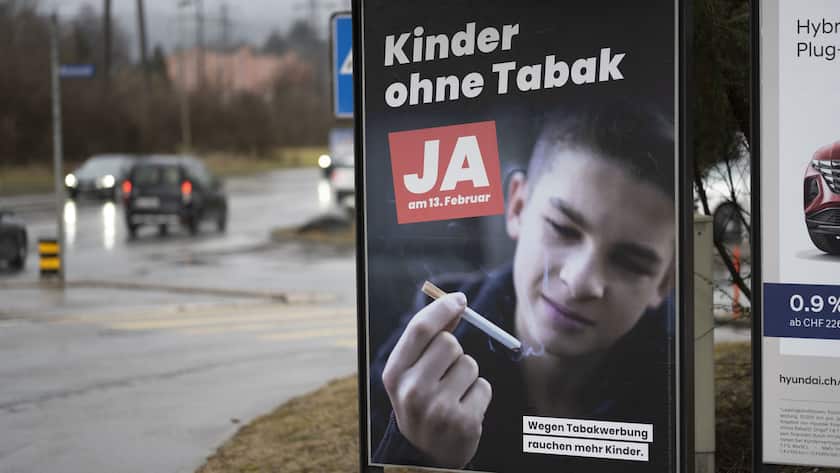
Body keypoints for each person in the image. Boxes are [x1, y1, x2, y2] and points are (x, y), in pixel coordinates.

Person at [369, 102, 677, 472]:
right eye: (563, 229)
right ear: (517, 206)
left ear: (666, 280)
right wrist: (418, 454)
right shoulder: (416, 371)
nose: (580, 282)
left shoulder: (676, 393)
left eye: (630, 262)